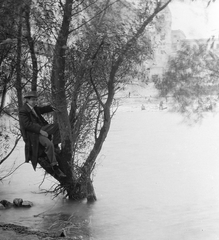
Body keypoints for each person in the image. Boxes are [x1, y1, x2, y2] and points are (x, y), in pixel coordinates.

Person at [19, 91, 66, 177]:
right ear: (27, 100)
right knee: (49, 144)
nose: (35, 101)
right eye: (33, 100)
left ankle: (55, 144)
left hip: (42, 129)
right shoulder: (23, 111)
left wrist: (51, 108)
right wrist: (40, 131)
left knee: (57, 126)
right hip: (34, 134)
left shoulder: (33, 108)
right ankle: (55, 166)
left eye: (36, 100)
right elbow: (27, 125)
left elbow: (41, 110)